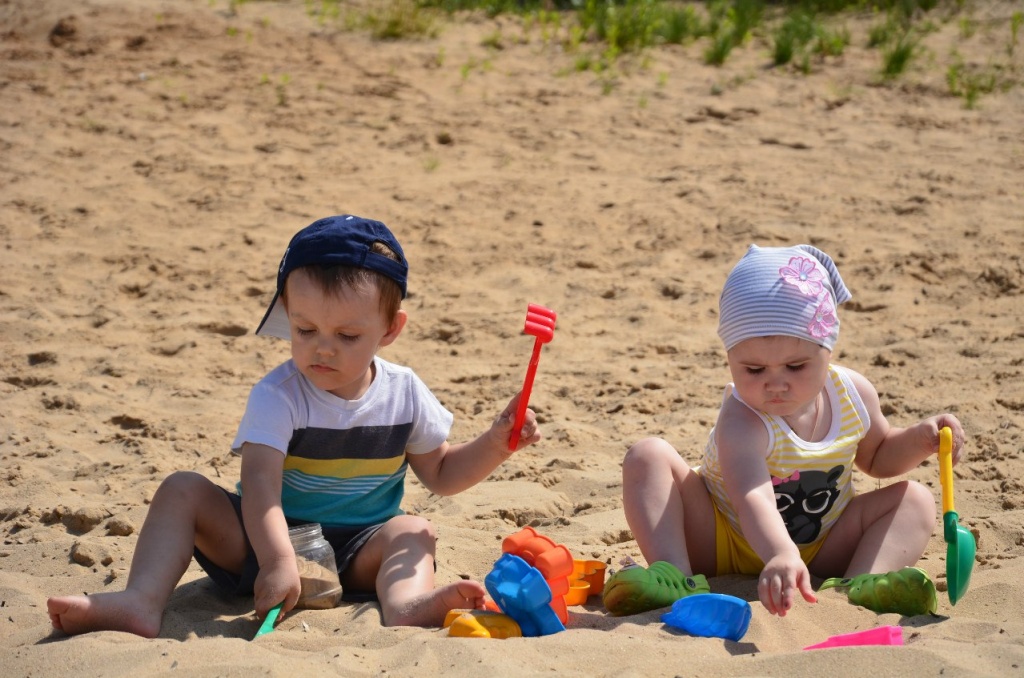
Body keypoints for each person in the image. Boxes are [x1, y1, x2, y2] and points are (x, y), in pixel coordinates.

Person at [47, 214, 541, 637]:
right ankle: (141, 600)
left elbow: (442, 474)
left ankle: (407, 605)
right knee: (182, 490)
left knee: (414, 529)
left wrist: (495, 445)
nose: (322, 348)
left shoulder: (405, 392)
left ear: (390, 329)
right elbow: (261, 488)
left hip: (358, 549)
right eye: (304, 330)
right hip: (263, 543)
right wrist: (278, 559)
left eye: (347, 335)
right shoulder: (279, 394)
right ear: (287, 314)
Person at [603, 243, 965, 618]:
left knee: (915, 499)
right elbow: (752, 495)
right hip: (721, 538)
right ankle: (677, 577)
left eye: (795, 366)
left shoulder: (852, 393)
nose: (776, 384)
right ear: (730, 358)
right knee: (647, 455)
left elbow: (878, 456)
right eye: (754, 370)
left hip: (822, 544)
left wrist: (919, 439)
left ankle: (857, 586)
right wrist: (779, 552)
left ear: (827, 349)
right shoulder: (742, 419)